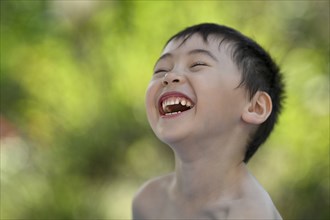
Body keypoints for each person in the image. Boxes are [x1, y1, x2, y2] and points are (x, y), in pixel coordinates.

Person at [132, 23, 284, 219]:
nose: (169, 77)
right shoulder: (149, 200)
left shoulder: (249, 214)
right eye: (161, 70)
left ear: (255, 107)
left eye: (197, 65)